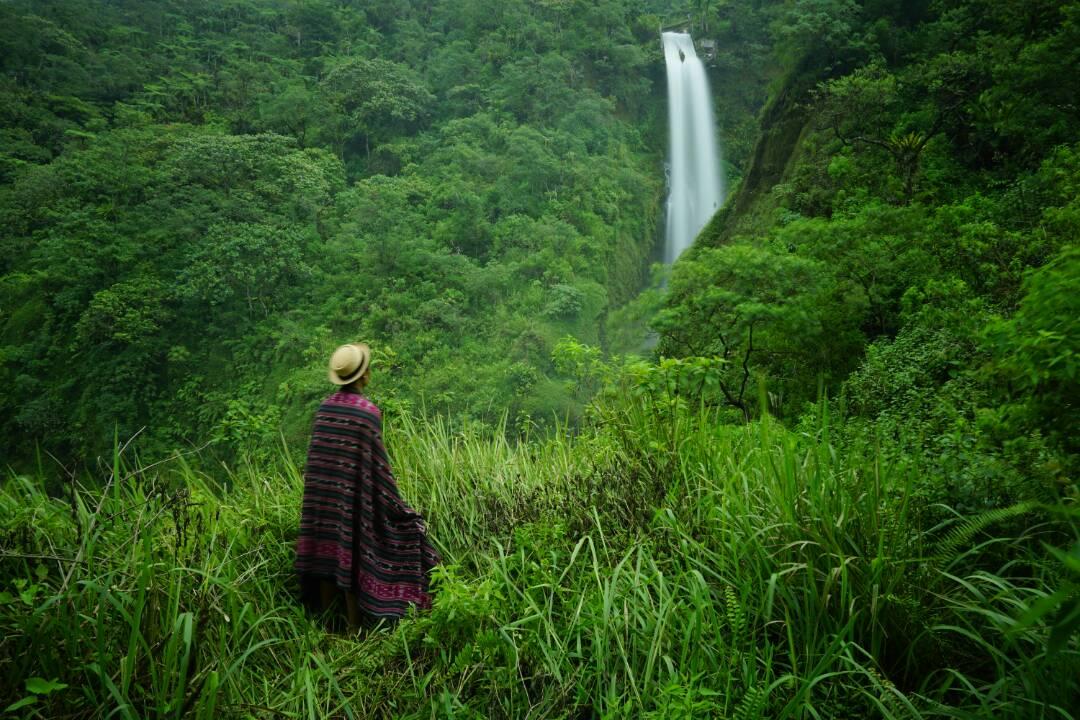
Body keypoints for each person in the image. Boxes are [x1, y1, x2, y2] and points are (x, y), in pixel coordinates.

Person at [295, 342, 440, 629]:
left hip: (323, 500)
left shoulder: (324, 408)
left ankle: (325, 624)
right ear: (365, 375)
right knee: (356, 547)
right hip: (352, 500)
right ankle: (353, 629)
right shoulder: (367, 413)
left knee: (329, 551)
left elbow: (320, 461)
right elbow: (377, 468)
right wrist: (397, 505)